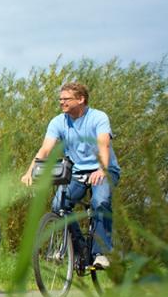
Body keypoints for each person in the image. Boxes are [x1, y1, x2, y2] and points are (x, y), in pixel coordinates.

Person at [20, 82, 120, 269]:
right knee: (59, 205)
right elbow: (45, 149)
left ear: (81, 99)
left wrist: (101, 169)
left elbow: (103, 145)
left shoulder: (98, 117)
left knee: (100, 202)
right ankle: (80, 250)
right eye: (60, 99)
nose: (61, 103)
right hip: (77, 172)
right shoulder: (58, 121)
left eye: (66, 99)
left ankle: (101, 253)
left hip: (104, 169)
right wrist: (30, 171)